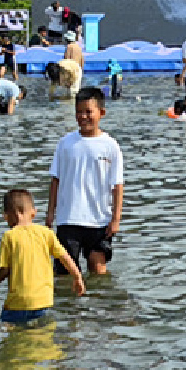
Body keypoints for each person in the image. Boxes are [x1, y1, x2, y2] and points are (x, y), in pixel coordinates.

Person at [46, 87, 125, 276]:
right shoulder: (65, 143)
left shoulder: (110, 146)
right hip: (68, 219)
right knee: (65, 273)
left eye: (88, 112)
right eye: (79, 112)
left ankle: (99, 296)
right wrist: (50, 213)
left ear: (101, 113)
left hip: (99, 220)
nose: (83, 116)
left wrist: (115, 219)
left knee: (98, 270)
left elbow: (117, 186)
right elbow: (55, 179)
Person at [0, 189, 86, 325]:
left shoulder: (9, 237)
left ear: (6, 216)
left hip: (18, 303)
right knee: (40, 330)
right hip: (43, 301)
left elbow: (5, 269)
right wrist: (77, 277)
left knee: (7, 326)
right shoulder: (46, 233)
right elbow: (65, 258)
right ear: (34, 213)